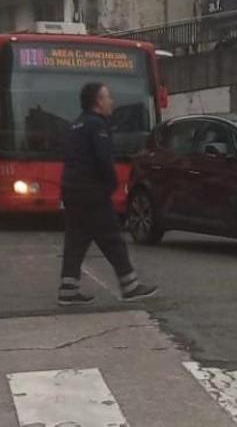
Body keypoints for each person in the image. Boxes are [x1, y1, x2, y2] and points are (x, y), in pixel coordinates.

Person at [58, 82, 157, 306]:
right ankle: (130, 285)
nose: (111, 101)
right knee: (112, 238)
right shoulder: (97, 126)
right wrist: (111, 184)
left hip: (72, 191)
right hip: (92, 193)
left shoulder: (76, 125)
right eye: (107, 97)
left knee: (76, 241)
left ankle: (68, 289)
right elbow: (103, 160)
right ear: (97, 102)